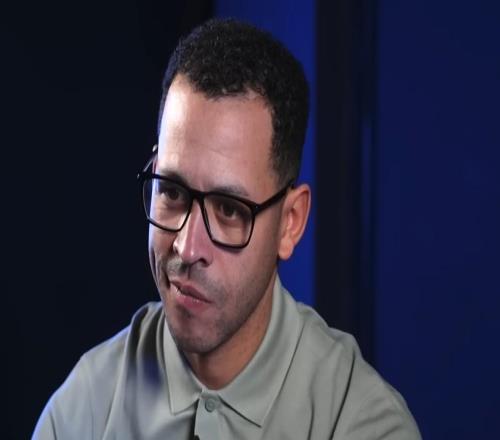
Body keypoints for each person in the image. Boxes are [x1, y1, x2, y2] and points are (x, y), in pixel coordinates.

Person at [33, 18, 421, 440]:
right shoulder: (81, 413)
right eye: (172, 191)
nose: (187, 247)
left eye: (229, 210)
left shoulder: (363, 424)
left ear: (290, 223)